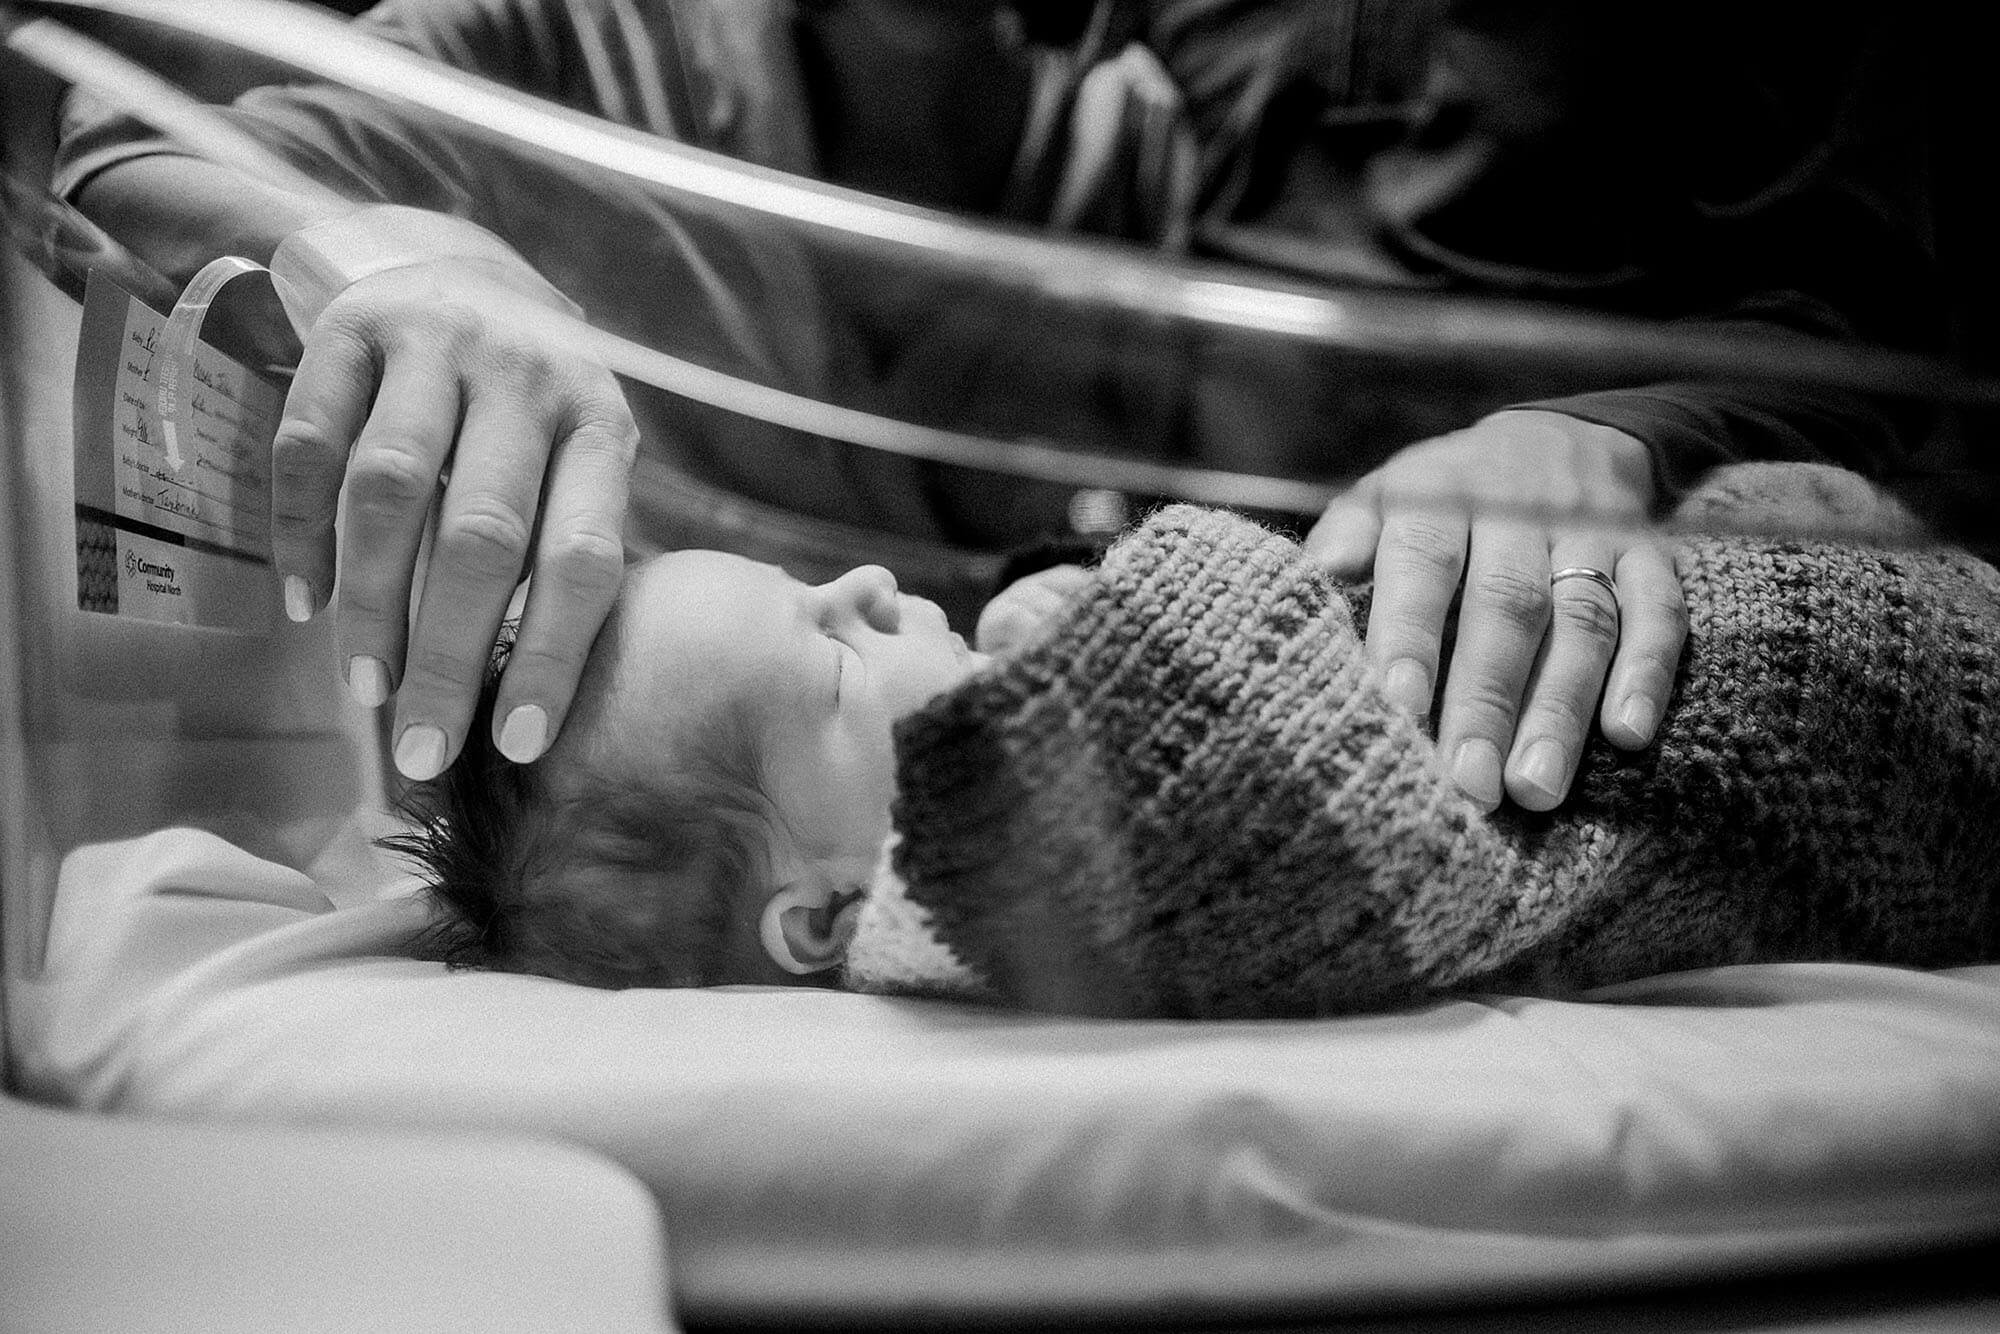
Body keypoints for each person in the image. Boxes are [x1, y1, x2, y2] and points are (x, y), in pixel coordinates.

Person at [53, 0, 1945, 810]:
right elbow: (110, 103)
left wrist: (1620, 435)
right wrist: (383, 264)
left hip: (1560, 541)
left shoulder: (1146, 111)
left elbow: (1899, 348)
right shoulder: (670, 64)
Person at [384, 464, 2000, 1013]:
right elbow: (1314, 819)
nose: (873, 581)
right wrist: (1118, 630)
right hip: (1762, 768)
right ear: (825, 913)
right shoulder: (983, 915)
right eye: (831, 645)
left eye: (827, 583)